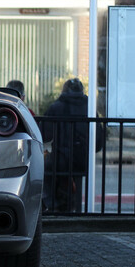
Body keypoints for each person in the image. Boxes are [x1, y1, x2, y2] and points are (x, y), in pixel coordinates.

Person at [41, 78, 102, 212]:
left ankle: (52, 204)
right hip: (84, 160)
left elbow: (45, 135)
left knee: (45, 170)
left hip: (61, 159)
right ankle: (74, 206)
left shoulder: (56, 107)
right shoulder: (90, 108)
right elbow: (98, 142)